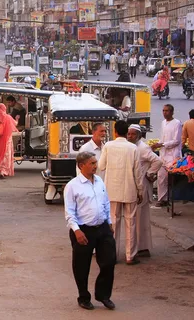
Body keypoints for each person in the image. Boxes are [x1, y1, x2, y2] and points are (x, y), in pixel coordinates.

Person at [64, 151, 116, 311]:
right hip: (83, 230)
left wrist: (109, 222)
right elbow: (69, 212)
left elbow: (106, 203)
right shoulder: (72, 186)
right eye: (92, 163)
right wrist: (76, 231)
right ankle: (84, 297)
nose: (95, 166)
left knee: (109, 261)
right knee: (82, 266)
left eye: (95, 162)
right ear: (81, 166)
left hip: (102, 228)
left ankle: (103, 295)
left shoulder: (99, 181)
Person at [99, 120, 144, 265]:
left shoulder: (108, 146)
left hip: (112, 190)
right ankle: (130, 256)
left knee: (113, 222)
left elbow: (101, 166)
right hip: (130, 189)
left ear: (115, 131)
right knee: (130, 223)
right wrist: (140, 189)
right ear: (126, 133)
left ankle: (112, 255)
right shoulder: (133, 148)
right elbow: (138, 172)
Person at [127, 124, 162, 258]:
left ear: (139, 136)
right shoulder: (133, 147)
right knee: (137, 219)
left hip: (142, 186)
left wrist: (149, 173)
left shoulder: (142, 148)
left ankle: (143, 248)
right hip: (136, 186)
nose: (130, 136)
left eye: (133, 134)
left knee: (141, 219)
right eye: (129, 134)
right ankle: (139, 247)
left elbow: (158, 161)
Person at [151, 104, 182, 208]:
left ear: (172, 112)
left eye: (167, 111)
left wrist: (162, 144)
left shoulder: (177, 123)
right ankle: (162, 199)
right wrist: (157, 145)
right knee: (161, 177)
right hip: (163, 154)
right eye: (163, 111)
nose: (165, 113)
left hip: (172, 154)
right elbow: (162, 138)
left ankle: (168, 198)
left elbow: (176, 141)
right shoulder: (163, 123)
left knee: (170, 178)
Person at [0, 103, 18, 179]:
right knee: (5, 156)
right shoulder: (8, 117)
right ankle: (3, 171)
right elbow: (15, 124)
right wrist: (17, 118)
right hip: (6, 141)